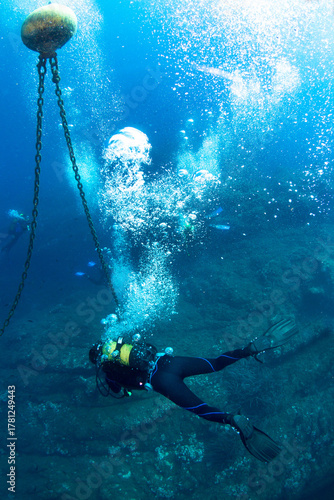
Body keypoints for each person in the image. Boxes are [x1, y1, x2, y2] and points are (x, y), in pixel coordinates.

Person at [89, 319, 298, 463]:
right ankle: (249, 350)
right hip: (169, 362)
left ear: (97, 361)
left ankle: (232, 419)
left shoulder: (108, 370)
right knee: (215, 363)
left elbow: (118, 390)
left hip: (160, 381)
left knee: (200, 408)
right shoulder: (120, 344)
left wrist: (124, 390)